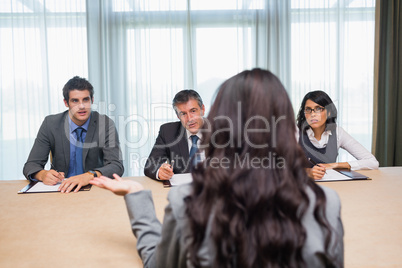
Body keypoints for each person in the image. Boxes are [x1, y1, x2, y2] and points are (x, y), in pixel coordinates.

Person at [90, 69, 344, 267]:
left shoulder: (184, 201)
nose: (189, 118)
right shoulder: (327, 203)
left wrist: (136, 195)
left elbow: (159, 263)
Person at [23, 76, 124, 193]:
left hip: (94, 190)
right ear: (66, 102)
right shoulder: (50, 124)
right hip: (60, 190)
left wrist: (89, 175)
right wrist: (42, 174)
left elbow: (116, 166)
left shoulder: (105, 124)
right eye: (75, 100)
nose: (81, 106)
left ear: (92, 100)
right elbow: (30, 165)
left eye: (85, 100)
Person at [296, 90, 379, 180]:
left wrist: (334, 165)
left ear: (329, 112)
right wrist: (307, 172)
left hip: (331, 186)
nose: (313, 114)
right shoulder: (295, 132)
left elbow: (372, 162)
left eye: (318, 109)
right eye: (308, 110)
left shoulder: (338, 133)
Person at [144, 89, 205, 180]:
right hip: (181, 190)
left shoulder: (221, 130)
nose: (189, 119)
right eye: (183, 114)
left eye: (193, 111)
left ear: (202, 109)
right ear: (178, 116)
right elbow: (150, 165)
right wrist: (160, 172)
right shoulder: (168, 131)